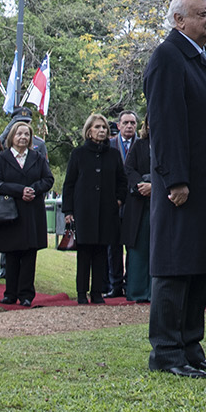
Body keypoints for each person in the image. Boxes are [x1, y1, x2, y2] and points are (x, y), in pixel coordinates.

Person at [141, 0, 206, 378]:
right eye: (203, 14)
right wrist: (176, 179)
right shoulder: (168, 58)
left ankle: (190, 345)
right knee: (175, 268)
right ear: (179, 21)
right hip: (182, 187)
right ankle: (166, 351)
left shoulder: (203, 58)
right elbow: (165, 124)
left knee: (200, 267)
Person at [61, 111, 123, 305]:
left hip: (106, 211)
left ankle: (98, 292)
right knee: (84, 253)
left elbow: (122, 181)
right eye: (97, 127)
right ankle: (81, 292)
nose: (102, 130)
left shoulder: (113, 155)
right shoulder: (78, 154)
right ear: (89, 131)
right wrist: (68, 211)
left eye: (104, 127)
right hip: (84, 210)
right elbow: (69, 183)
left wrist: (118, 200)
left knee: (101, 253)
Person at [0, 119, 52, 307]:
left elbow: (48, 179)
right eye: (19, 133)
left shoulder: (37, 158)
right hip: (11, 211)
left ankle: (26, 294)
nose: (23, 137)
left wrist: (33, 189)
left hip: (32, 211)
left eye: (26, 134)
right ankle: (10, 293)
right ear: (12, 136)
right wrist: (19, 190)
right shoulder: (2, 158)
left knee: (29, 254)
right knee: (12, 254)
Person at [105, 107, 142, 299]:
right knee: (113, 245)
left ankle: (132, 281)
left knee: (133, 245)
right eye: (126, 123)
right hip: (114, 202)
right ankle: (115, 283)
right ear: (118, 125)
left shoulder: (142, 145)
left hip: (136, 202)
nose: (129, 126)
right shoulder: (110, 145)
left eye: (133, 123)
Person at [119, 117, 152, 303]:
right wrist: (142, 184)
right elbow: (128, 169)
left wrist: (154, 186)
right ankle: (137, 291)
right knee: (138, 249)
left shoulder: (169, 144)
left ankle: (155, 291)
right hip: (139, 204)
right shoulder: (139, 145)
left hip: (161, 204)